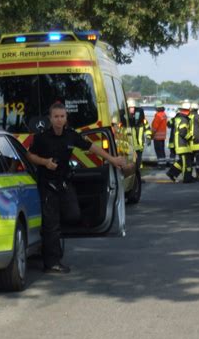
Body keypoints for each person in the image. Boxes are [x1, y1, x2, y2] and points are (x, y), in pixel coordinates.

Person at [27, 102, 125, 274]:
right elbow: (30, 155)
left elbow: (92, 147)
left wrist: (112, 159)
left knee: (74, 214)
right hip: (47, 184)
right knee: (51, 224)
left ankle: (50, 242)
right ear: (50, 119)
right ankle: (52, 262)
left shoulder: (71, 135)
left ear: (66, 118)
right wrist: (45, 162)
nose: (59, 120)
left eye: (62, 116)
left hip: (64, 182)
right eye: (56, 116)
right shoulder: (42, 137)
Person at [166, 102, 193, 183]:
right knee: (185, 162)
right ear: (188, 111)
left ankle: (171, 173)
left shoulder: (177, 118)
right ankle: (186, 178)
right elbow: (183, 132)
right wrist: (191, 137)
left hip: (179, 143)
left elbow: (168, 124)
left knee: (182, 161)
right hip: (182, 144)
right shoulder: (184, 119)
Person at [127, 99, 152, 169]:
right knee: (132, 161)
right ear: (128, 108)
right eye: (130, 107)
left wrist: (148, 137)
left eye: (133, 107)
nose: (132, 109)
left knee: (139, 160)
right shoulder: (126, 120)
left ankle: (139, 173)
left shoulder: (142, 120)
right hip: (130, 146)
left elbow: (147, 129)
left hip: (140, 146)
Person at [151, 102, 168, 169]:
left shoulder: (158, 115)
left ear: (157, 108)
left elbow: (154, 127)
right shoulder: (164, 114)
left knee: (158, 151)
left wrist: (151, 135)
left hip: (157, 136)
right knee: (162, 151)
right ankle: (163, 164)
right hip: (162, 136)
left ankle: (161, 166)